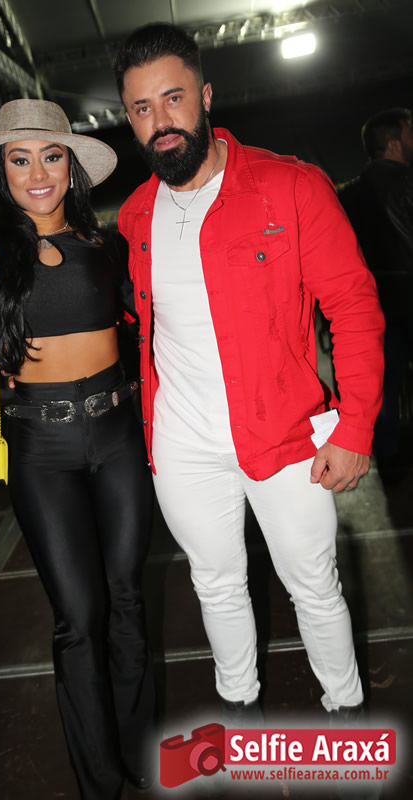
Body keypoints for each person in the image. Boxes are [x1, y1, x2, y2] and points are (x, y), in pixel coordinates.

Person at [114, 24, 385, 727]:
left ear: (205, 96)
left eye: (173, 98)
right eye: (141, 107)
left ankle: (345, 714)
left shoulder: (289, 186)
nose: (160, 120)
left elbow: (354, 307)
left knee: (313, 585)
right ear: (129, 118)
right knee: (214, 583)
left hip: (284, 435)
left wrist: (354, 427)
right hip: (182, 443)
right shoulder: (136, 215)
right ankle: (241, 711)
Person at [0, 99, 155, 800]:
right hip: (41, 450)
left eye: (51, 156)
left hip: (117, 437)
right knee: (78, 619)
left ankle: (141, 753)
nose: (37, 173)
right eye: (19, 160)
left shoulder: (105, 245)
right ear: (0, 173)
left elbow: (151, 323)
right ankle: (99, 783)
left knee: (126, 600)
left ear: (71, 167)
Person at [339, 108, 413, 470]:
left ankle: (388, 460)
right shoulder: (408, 184)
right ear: (394, 144)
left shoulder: (346, 195)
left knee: (381, 386)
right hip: (408, 300)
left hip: (371, 309)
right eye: (410, 134)